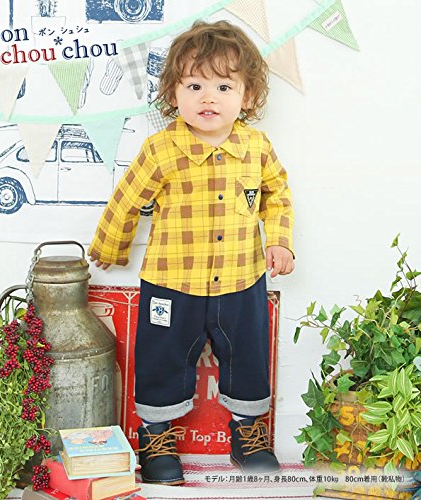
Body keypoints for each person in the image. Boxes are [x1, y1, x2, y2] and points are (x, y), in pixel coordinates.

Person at [88, 19, 294, 485]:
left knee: (247, 352)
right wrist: (110, 246)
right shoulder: (161, 149)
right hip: (172, 282)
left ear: (247, 96)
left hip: (241, 279)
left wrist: (279, 240)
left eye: (224, 86)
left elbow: (277, 194)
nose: (208, 98)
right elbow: (128, 198)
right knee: (161, 354)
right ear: (173, 93)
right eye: (194, 85)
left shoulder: (256, 147)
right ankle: (155, 436)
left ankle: (247, 432)